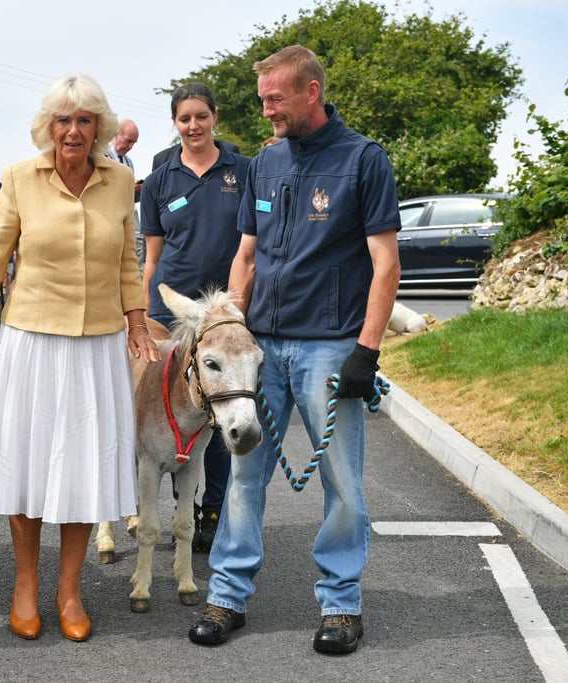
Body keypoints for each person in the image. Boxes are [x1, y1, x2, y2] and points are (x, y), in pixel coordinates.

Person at [0, 74, 160, 643]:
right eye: (63, 120)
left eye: (85, 120)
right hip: (32, 340)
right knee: (26, 463)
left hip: (98, 345)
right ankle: (26, 584)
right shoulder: (22, 177)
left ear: (99, 127)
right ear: (47, 126)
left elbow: (127, 261)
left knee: (84, 468)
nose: (73, 130)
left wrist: (138, 323)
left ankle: (68, 590)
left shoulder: (121, 181)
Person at [187, 45, 401, 655]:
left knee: (340, 480)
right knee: (244, 473)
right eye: (261, 100)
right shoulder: (267, 163)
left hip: (330, 349)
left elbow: (386, 263)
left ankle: (340, 605)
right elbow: (247, 255)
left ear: (311, 91)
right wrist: (226, 323)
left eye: (275, 99)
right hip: (262, 350)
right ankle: (227, 595)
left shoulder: (363, 161)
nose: (266, 110)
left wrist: (367, 350)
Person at [139, 83, 252, 554]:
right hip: (173, 308)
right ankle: (183, 502)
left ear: (214, 117)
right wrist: (145, 314)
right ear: (175, 122)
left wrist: (241, 305)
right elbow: (152, 255)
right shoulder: (161, 179)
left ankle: (213, 510)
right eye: (184, 118)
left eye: (201, 116)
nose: (193, 126)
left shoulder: (243, 170)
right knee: (176, 413)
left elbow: (253, 245)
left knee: (222, 412)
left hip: (227, 310)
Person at [106, 118, 145, 274]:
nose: (130, 147)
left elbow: (129, 197)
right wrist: (128, 188)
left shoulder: (129, 162)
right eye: (129, 141)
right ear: (117, 134)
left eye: (134, 143)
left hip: (128, 215)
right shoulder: (100, 156)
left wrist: (138, 190)